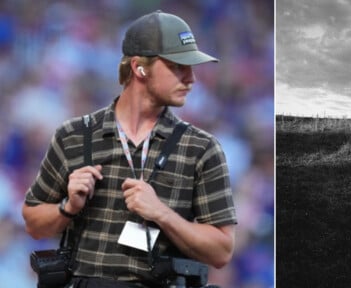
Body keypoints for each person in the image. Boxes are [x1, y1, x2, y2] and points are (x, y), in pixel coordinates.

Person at [21, 10, 237, 287]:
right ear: (139, 68)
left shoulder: (201, 148)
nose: (191, 78)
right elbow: (32, 223)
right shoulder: (74, 136)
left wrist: (162, 213)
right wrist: (68, 207)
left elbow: (221, 251)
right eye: (177, 66)